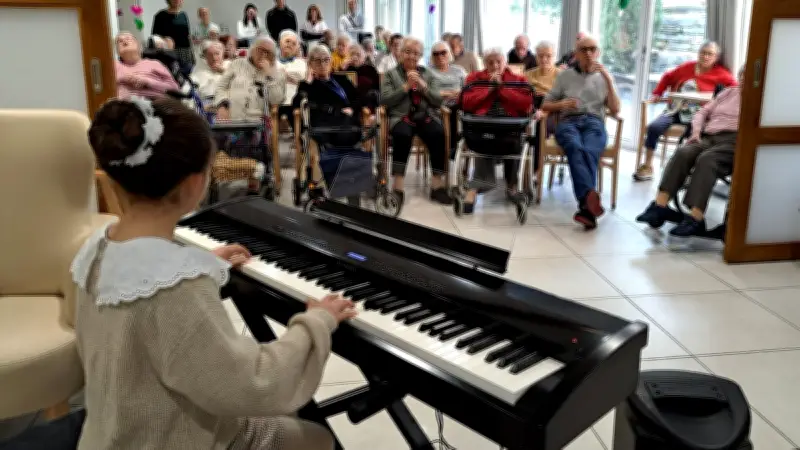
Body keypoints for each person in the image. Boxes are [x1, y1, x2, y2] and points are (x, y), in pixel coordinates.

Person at [77, 95, 351, 450]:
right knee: (318, 439)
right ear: (195, 184)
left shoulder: (94, 251)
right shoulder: (177, 288)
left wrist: (205, 263)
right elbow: (254, 384)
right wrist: (315, 322)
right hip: (174, 440)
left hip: (113, 432)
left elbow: (146, 300)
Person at [636, 67, 743, 237]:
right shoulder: (728, 92)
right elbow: (702, 112)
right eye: (742, 75)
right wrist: (695, 133)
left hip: (735, 141)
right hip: (708, 135)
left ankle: (695, 218)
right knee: (683, 152)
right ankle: (660, 206)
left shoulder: (761, 100)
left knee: (707, 160)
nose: (744, 79)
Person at [542, 34, 620, 230]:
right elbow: (546, 103)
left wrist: (609, 80)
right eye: (583, 50)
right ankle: (589, 201)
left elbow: (616, 109)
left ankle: (586, 208)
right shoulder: (564, 75)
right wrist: (561, 104)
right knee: (576, 147)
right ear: (576, 54)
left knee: (589, 149)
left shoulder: (605, 76)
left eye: (592, 49)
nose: (588, 53)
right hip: (569, 121)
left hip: (594, 122)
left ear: (598, 52)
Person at [633, 41, 737, 181]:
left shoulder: (722, 75)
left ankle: (684, 169)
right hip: (675, 109)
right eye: (703, 52)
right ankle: (648, 165)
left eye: (709, 54)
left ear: (716, 57)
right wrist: (658, 93)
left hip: (698, 114)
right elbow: (667, 77)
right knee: (654, 127)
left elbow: (735, 91)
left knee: (693, 133)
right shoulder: (687, 67)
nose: (705, 56)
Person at [459, 48, 536, 214]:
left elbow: (525, 104)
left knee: (516, 139)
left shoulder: (518, 79)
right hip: (482, 126)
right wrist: (489, 89)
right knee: (482, 138)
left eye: (498, 61)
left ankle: (512, 186)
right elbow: (466, 103)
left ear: (505, 62)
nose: (494, 65)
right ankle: (475, 188)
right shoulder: (474, 78)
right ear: (485, 64)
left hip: (510, 128)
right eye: (490, 62)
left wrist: (502, 88)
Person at [294, 44, 369, 204]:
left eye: (326, 60)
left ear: (331, 61)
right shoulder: (308, 85)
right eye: (318, 61)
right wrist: (307, 82)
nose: (322, 64)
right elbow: (297, 104)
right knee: (334, 144)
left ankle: (350, 186)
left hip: (346, 123)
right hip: (323, 126)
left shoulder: (341, 79)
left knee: (349, 141)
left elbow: (358, 98)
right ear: (310, 63)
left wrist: (351, 108)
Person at [381, 37, 450, 207]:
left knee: (438, 132)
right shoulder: (391, 74)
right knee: (402, 134)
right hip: (401, 117)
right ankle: (398, 188)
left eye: (416, 53)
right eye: (407, 52)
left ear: (420, 56)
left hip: (425, 115)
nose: (411, 56)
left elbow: (437, 100)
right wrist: (405, 87)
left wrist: (422, 86)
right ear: (400, 53)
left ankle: (437, 186)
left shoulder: (427, 73)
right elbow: (386, 100)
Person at [215, 35, 287, 121]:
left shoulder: (278, 74)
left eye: (268, 52)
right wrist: (222, 105)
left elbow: (276, 101)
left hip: (258, 122)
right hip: (232, 118)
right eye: (260, 50)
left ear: (273, 56)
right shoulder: (237, 64)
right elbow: (221, 87)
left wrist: (269, 75)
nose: (263, 55)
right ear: (252, 50)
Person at [115, 32, 180, 99]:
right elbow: (105, 87)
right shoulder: (113, 66)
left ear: (138, 45)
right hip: (125, 104)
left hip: (157, 102)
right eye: (120, 41)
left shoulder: (155, 63)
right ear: (118, 51)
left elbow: (174, 88)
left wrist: (147, 82)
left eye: (128, 39)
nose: (124, 42)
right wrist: (123, 78)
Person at [428, 41, 466, 152]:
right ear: (432, 56)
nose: (440, 56)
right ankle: (452, 147)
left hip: (459, 102)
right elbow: (426, 92)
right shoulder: (429, 72)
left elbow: (468, 89)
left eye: (443, 53)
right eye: (436, 54)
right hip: (438, 105)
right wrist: (446, 93)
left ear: (449, 53)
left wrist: (459, 93)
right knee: (451, 109)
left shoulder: (459, 70)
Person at [151, 0, 194, 72]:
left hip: (186, 52)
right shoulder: (160, 15)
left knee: (187, 76)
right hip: (169, 53)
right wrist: (164, 40)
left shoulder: (184, 14)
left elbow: (187, 34)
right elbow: (155, 37)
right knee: (173, 77)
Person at [277, 30, 307, 128]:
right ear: (280, 43)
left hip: (294, 102)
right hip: (274, 102)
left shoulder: (301, 63)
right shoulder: (271, 62)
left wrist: (282, 73)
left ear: (296, 49)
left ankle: (300, 139)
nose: (290, 45)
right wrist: (292, 78)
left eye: (293, 43)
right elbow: (268, 77)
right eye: (287, 41)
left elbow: (302, 78)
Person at [341, 44, 380, 111]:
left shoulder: (370, 69)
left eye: (358, 55)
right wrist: (342, 70)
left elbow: (377, 89)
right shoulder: (347, 69)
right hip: (350, 102)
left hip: (367, 103)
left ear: (364, 56)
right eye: (352, 54)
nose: (355, 57)